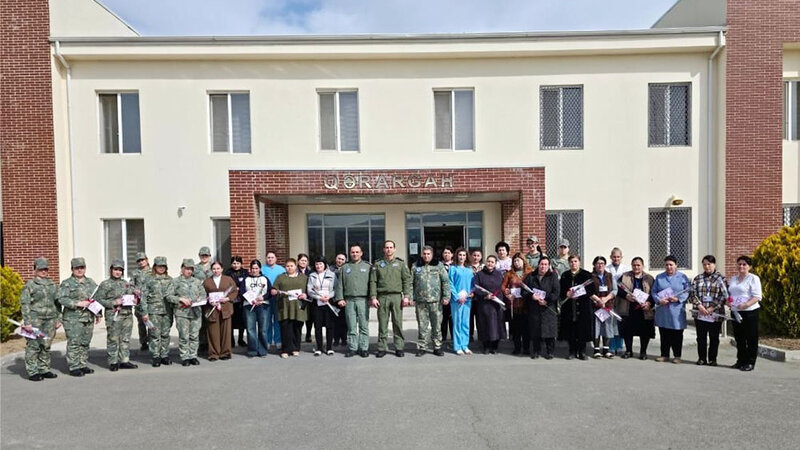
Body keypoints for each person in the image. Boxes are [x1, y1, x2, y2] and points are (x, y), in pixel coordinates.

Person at [369, 240, 412, 358]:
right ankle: (382, 347)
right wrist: (373, 297)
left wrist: (407, 296)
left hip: (397, 296)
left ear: (394, 249)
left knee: (397, 323)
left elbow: (406, 280)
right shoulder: (378, 264)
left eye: (391, 247)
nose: (388, 249)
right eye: (386, 247)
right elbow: (373, 281)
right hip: (382, 297)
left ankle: (399, 347)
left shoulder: (401, 264)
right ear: (384, 249)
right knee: (383, 324)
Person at [57, 257, 99, 377]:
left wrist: (98, 313)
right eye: (77, 268)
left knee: (85, 342)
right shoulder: (67, 283)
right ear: (72, 269)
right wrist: (77, 303)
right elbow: (61, 299)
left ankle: (82, 364)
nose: (80, 270)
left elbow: (96, 298)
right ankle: (74, 366)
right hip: (73, 318)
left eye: (82, 267)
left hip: (88, 317)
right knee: (74, 342)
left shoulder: (90, 282)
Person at [19, 257, 60, 381]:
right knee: (33, 345)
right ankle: (33, 371)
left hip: (50, 319)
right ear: (35, 270)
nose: (43, 271)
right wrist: (27, 322)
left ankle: (44, 368)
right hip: (35, 319)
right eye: (41, 269)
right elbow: (25, 304)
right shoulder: (29, 285)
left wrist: (59, 318)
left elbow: (57, 303)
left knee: (46, 345)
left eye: (45, 269)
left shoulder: (52, 285)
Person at [95, 259, 138, 371]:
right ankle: (113, 361)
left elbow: (133, 297)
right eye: (116, 269)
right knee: (113, 339)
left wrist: (135, 299)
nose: (118, 272)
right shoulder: (105, 284)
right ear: (111, 270)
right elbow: (98, 300)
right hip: (113, 315)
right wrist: (114, 302)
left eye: (120, 270)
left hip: (127, 314)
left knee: (125, 339)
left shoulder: (126, 284)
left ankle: (124, 360)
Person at [689, 255, 729, 366]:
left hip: (715, 314)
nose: (707, 266)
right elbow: (692, 293)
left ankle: (712, 359)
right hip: (700, 313)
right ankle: (702, 358)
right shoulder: (698, 278)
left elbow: (724, 295)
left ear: (714, 264)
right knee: (701, 337)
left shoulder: (721, 279)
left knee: (714, 338)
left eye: (709, 264)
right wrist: (699, 306)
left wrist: (712, 307)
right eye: (704, 264)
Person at [411, 245, 450, 357]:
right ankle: (422, 347)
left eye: (428, 254)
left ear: (432, 255)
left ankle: (437, 347)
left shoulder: (438, 265)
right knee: (422, 326)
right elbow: (410, 283)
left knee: (436, 325)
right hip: (420, 302)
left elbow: (445, 282)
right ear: (421, 254)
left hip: (435, 301)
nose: (426, 256)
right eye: (424, 254)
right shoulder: (415, 266)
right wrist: (410, 297)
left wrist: (446, 296)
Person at [652, 255, 691, 364]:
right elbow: (654, 292)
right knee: (664, 333)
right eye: (667, 265)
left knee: (677, 334)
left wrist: (678, 299)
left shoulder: (682, 277)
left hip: (676, 310)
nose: (669, 267)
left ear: (676, 265)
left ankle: (677, 355)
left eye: (671, 265)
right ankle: (664, 354)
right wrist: (659, 300)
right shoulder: (659, 277)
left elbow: (687, 291)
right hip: (663, 310)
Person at [335, 244, 372, 358]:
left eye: (357, 252)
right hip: (349, 300)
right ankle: (353, 348)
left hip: (363, 300)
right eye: (352, 252)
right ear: (350, 254)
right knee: (351, 326)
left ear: (361, 253)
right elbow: (340, 284)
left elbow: (372, 283)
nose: (355, 254)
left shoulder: (368, 267)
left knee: (363, 326)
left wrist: (372, 297)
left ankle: (364, 348)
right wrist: (340, 298)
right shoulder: (345, 268)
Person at [167, 258, 205, 366]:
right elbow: (169, 296)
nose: (189, 271)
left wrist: (200, 299)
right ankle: (185, 357)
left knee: (194, 336)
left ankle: (193, 356)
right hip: (182, 313)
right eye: (187, 268)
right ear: (182, 268)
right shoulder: (175, 281)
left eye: (191, 269)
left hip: (195, 312)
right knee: (184, 336)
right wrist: (180, 299)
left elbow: (203, 294)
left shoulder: (197, 281)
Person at [615, 257, 655, 360]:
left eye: (638, 265)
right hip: (629, 308)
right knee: (628, 331)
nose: (636, 267)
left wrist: (649, 303)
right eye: (634, 265)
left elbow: (654, 293)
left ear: (643, 266)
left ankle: (643, 352)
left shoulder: (649, 278)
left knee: (644, 331)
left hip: (644, 309)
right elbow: (617, 289)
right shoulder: (624, 276)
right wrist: (626, 296)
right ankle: (629, 351)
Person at [728, 255, 763, 372]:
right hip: (736, 312)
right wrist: (729, 302)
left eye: (744, 264)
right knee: (739, 338)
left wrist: (746, 305)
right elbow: (731, 294)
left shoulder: (753, 278)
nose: (741, 266)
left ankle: (750, 362)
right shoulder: (733, 279)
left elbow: (757, 296)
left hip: (750, 312)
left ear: (749, 266)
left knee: (751, 338)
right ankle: (741, 360)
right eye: (739, 264)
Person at [522, 257, 560, 359]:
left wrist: (547, 300)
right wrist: (531, 296)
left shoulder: (553, 276)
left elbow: (556, 292)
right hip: (534, 308)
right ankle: (536, 351)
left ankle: (550, 351)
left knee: (549, 331)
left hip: (548, 308)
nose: (543, 266)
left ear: (548, 266)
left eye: (545, 264)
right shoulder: (531, 276)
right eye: (541, 264)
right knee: (535, 331)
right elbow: (524, 291)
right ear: (538, 265)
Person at [559, 255, 595, 360]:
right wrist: (566, 293)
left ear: (579, 262)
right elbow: (561, 290)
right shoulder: (565, 275)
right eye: (571, 262)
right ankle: (571, 351)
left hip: (582, 306)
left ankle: (582, 352)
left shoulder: (586, 275)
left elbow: (591, 290)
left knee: (582, 330)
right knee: (571, 330)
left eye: (575, 261)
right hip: (569, 306)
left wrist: (580, 294)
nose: (573, 263)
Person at [140, 256, 173, 367]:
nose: (161, 268)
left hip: (167, 311)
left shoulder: (169, 279)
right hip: (153, 311)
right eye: (159, 266)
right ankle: (156, 356)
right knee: (154, 334)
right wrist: (144, 312)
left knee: (165, 334)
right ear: (155, 266)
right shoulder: (149, 279)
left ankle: (164, 355)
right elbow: (143, 297)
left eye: (163, 266)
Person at [272, 258, 308, 358]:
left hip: (298, 307)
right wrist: (274, 291)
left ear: (296, 266)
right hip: (285, 307)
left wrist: (305, 295)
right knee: (285, 329)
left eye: (291, 266)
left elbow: (308, 291)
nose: (289, 268)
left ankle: (296, 348)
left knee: (297, 328)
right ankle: (285, 350)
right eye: (287, 266)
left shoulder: (303, 277)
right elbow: (274, 288)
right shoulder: (280, 277)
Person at [203, 261, 239, 361]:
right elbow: (203, 295)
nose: (216, 270)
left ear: (222, 269)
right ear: (211, 270)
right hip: (212, 309)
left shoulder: (228, 279)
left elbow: (234, 291)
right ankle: (213, 353)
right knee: (213, 332)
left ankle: (225, 352)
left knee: (226, 332)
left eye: (218, 268)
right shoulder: (207, 282)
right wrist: (209, 301)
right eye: (214, 269)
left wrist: (228, 299)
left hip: (225, 309)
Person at [473, 255, 506, 354]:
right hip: (484, 303)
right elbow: (476, 288)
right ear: (485, 262)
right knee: (485, 325)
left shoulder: (499, 274)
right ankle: (486, 346)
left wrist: (497, 297)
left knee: (496, 325)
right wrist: (485, 296)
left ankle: (495, 346)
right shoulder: (479, 274)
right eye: (488, 261)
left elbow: (502, 287)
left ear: (495, 263)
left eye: (492, 262)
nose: (490, 264)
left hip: (496, 303)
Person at [501, 253, 533, 355]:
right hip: (514, 305)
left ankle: (527, 349)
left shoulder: (529, 272)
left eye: (518, 260)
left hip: (526, 304)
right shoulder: (509, 273)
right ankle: (517, 348)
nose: (516, 262)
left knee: (526, 329)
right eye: (514, 261)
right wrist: (506, 292)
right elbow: (503, 286)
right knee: (516, 329)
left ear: (523, 261)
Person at [307, 257, 337, 356]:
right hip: (317, 304)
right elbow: (309, 291)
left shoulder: (332, 275)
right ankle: (319, 348)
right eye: (316, 264)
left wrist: (329, 296)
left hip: (329, 303)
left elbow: (336, 289)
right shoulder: (312, 276)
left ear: (325, 265)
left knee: (330, 326)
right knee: (318, 327)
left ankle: (329, 348)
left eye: (320, 264)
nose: (318, 266)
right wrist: (318, 297)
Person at [590, 256, 618, 358]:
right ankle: (596, 349)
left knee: (607, 327)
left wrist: (606, 299)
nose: (600, 265)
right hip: (596, 306)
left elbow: (615, 290)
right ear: (594, 265)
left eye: (602, 263)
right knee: (596, 327)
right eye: (598, 263)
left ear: (605, 265)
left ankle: (606, 349)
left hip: (607, 306)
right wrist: (598, 300)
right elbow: (589, 291)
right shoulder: (591, 276)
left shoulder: (610, 276)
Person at [242, 260, 270, 358]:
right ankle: (252, 350)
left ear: (260, 269)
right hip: (249, 306)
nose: (254, 270)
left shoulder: (265, 279)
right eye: (253, 268)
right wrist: (250, 299)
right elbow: (242, 292)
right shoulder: (246, 279)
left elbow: (269, 292)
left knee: (263, 329)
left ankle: (262, 350)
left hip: (263, 305)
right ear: (250, 269)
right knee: (250, 329)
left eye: (256, 268)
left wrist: (263, 297)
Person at [449, 248, 474, 355]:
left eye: (464, 255)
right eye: (460, 255)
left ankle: (465, 345)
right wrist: (456, 296)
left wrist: (472, 292)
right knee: (457, 323)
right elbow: (450, 284)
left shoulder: (469, 269)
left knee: (465, 323)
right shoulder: (453, 268)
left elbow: (473, 284)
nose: (462, 257)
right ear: (456, 256)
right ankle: (457, 346)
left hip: (467, 300)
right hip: (457, 300)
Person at [261, 251, 285, 352]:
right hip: (266, 298)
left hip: (277, 297)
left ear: (276, 259)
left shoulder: (281, 269)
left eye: (272, 257)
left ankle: (278, 340)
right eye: (268, 257)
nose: (270, 259)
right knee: (266, 320)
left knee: (277, 320)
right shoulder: (262, 269)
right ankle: (267, 340)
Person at [606, 248, 629, 355]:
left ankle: (620, 345)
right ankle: (611, 346)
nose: (616, 259)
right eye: (614, 256)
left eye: (618, 257)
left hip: (622, 299)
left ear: (621, 257)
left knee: (620, 322)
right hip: (610, 298)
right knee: (610, 322)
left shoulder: (626, 269)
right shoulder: (607, 268)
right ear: (611, 257)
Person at [130, 252, 152, 351]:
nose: (141, 262)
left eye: (142, 260)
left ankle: (152, 341)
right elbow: (130, 285)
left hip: (150, 301)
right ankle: (143, 342)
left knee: (151, 322)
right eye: (138, 261)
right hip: (139, 301)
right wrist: (134, 290)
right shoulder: (135, 273)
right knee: (141, 323)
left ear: (147, 260)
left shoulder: (153, 272)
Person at [224, 256, 248, 348]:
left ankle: (241, 339)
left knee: (242, 321)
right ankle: (231, 340)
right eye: (234, 263)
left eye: (238, 263)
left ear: (241, 264)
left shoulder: (245, 272)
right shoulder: (228, 273)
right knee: (232, 321)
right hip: (231, 300)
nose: (236, 265)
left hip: (242, 300)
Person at [194, 246, 213, 353]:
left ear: (209, 256)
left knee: (210, 320)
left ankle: (210, 342)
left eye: (206, 255)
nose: (204, 257)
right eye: (202, 255)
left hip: (211, 298)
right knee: (199, 321)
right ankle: (201, 343)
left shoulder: (214, 266)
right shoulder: (195, 268)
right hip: (199, 298)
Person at [331, 253, 348, 346]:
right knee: (335, 321)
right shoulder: (330, 269)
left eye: (342, 259)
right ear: (335, 259)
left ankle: (344, 339)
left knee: (344, 321)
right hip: (333, 299)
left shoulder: (348, 269)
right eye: (339, 258)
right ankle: (336, 339)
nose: (340, 261)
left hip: (345, 299)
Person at [297, 253, 314, 343]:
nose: (303, 262)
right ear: (298, 261)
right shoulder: (295, 271)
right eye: (302, 260)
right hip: (298, 297)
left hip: (309, 298)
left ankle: (308, 334)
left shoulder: (311, 272)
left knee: (309, 318)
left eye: (305, 261)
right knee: (299, 318)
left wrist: (307, 294)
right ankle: (298, 336)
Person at [440, 246, 455, 345]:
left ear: (452, 254)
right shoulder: (439, 265)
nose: (447, 255)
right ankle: (443, 337)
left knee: (453, 317)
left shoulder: (456, 265)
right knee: (443, 318)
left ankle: (454, 338)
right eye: (445, 253)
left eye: (449, 253)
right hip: (442, 295)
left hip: (454, 295)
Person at [468, 248, 483, 341]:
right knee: (469, 317)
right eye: (474, 255)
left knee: (480, 317)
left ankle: (481, 336)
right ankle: (470, 336)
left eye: (478, 255)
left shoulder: (484, 267)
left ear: (481, 257)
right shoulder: (467, 267)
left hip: (480, 296)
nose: (476, 257)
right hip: (470, 295)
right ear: (470, 256)